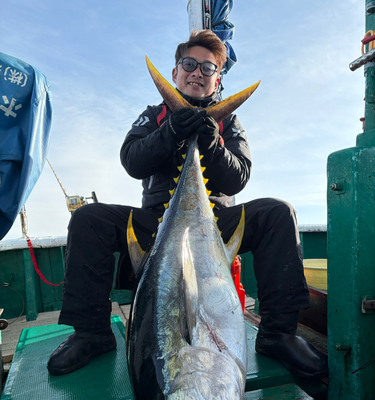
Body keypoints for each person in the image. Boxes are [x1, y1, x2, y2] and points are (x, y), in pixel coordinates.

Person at [47, 30, 328, 380]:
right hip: (156, 224)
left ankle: (278, 334)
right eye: (189, 64)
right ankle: (91, 334)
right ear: (176, 73)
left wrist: (213, 141)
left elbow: (238, 177)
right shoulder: (155, 115)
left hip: (216, 226)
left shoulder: (229, 122)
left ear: (217, 80)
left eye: (207, 68)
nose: (197, 72)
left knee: (277, 212)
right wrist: (171, 132)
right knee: (89, 218)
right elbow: (132, 161)